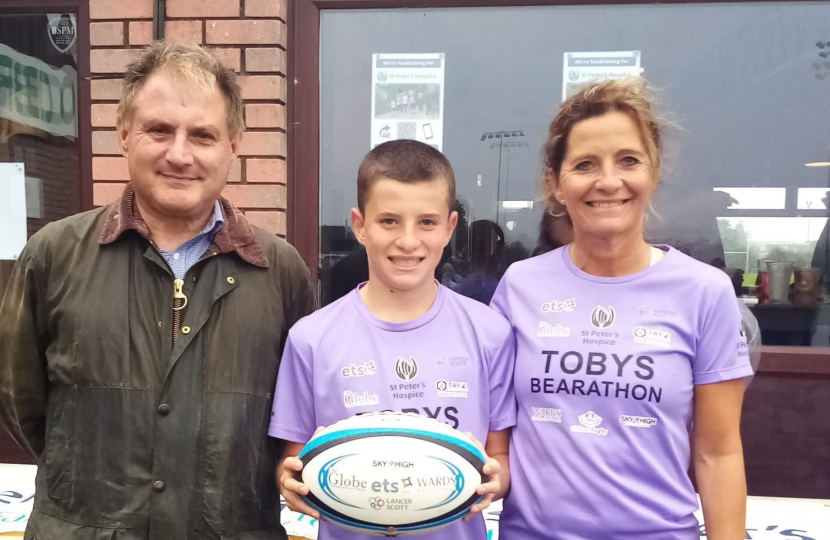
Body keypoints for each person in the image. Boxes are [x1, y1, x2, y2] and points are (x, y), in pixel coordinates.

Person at [0, 42, 315, 539]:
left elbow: (297, 412)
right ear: (124, 134)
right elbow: (21, 401)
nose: (179, 154)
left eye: (203, 135)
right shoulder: (53, 255)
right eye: (159, 129)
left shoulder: (280, 272)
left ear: (235, 143)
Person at [490, 79, 753, 539]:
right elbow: (492, 426)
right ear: (555, 183)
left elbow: (719, 453)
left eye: (628, 160)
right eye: (585, 164)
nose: (609, 181)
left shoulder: (704, 292)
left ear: (654, 171)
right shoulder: (519, 286)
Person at [269, 139, 516, 540]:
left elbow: (500, 456)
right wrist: (293, 483)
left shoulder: (489, 333)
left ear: (450, 228)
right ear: (359, 225)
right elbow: (293, 463)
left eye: (427, 222)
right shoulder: (311, 339)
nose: (407, 240)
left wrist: (493, 481)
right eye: (388, 221)